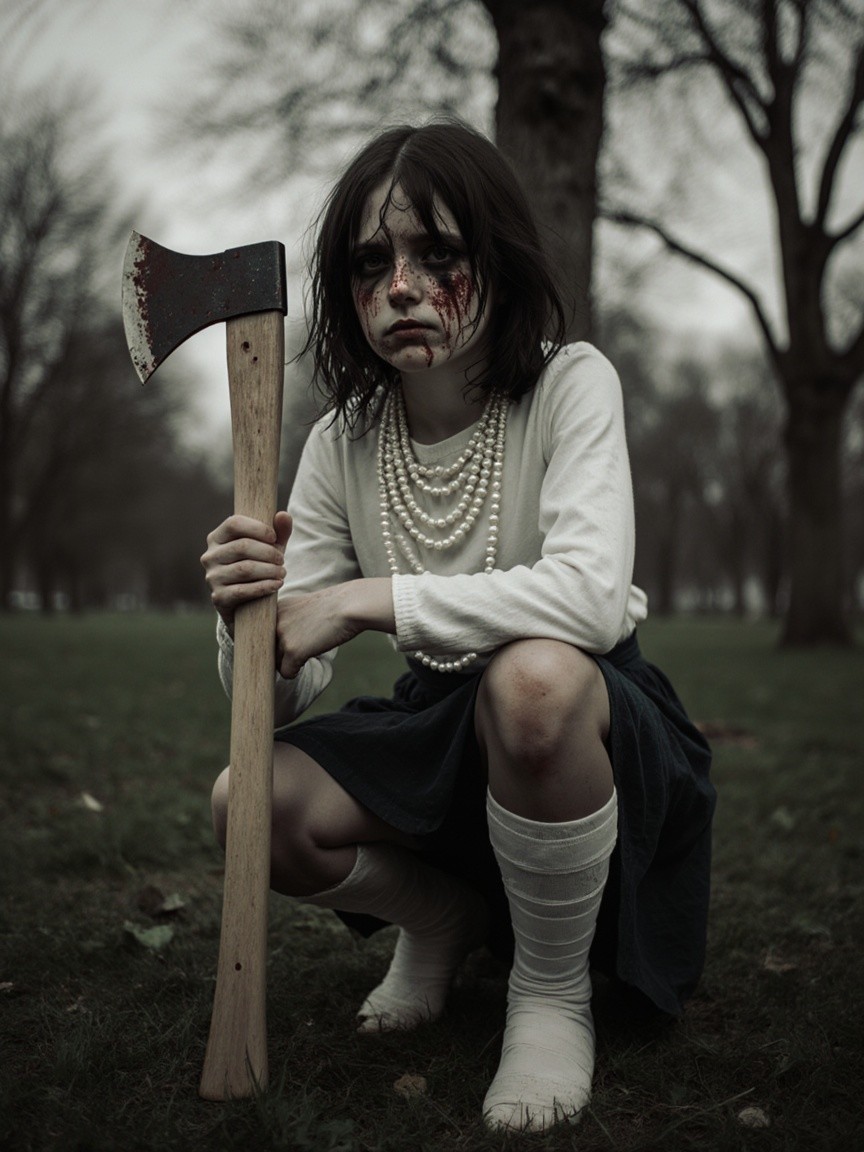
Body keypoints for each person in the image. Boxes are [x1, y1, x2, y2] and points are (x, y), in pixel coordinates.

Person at [201, 119, 715, 1132]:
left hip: (585, 722)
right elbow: (280, 695)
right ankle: (441, 919)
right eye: (371, 262)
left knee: (533, 681)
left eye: (438, 254)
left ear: (497, 258)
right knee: (244, 802)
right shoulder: (342, 439)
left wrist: (361, 600)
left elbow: (588, 599)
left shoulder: (570, 384)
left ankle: (550, 993)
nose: (402, 286)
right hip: (436, 717)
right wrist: (246, 620)